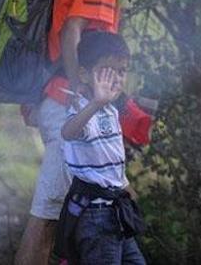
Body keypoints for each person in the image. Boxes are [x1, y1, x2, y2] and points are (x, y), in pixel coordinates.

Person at [15, 0, 177, 265]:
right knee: (47, 225)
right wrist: (83, 97)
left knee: (66, 225)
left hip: (53, 96)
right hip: (67, 103)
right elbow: (72, 32)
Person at [54, 31, 145, 264]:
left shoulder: (111, 110)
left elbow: (109, 158)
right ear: (84, 74)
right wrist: (96, 103)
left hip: (116, 209)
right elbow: (69, 132)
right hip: (96, 215)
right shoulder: (84, 109)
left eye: (121, 71)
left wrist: (126, 187)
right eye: (106, 71)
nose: (115, 78)